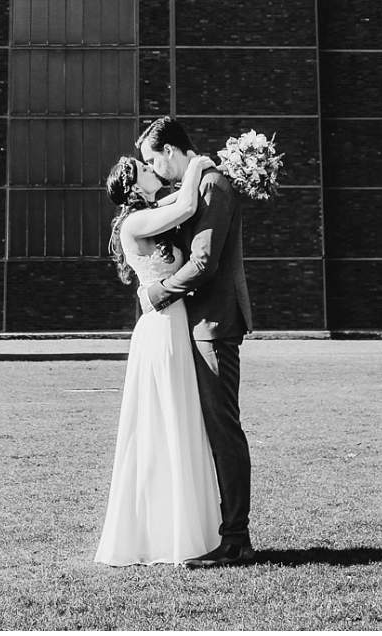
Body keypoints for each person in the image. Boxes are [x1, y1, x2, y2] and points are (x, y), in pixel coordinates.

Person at [93, 151, 221, 566]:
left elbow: (178, 203)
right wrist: (201, 164)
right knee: (163, 423)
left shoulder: (151, 210)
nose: (153, 171)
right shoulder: (134, 223)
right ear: (132, 186)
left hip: (174, 326)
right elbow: (185, 203)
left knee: (179, 422)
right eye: (146, 169)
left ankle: (183, 528)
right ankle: (160, 535)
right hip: (161, 331)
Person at [137, 115, 255, 568]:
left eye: (153, 160)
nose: (153, 170)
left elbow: (204, 263)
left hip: (214, 326)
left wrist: (156, 294)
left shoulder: (213, 187)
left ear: (170, 152)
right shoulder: (192, 188)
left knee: (223, 430)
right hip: (193, 324)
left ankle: (236, 539)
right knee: (203, 430)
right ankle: (216, 532)